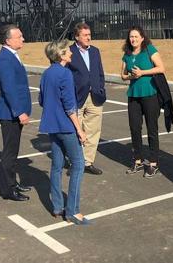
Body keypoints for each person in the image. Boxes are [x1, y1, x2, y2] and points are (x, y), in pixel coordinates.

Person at [39, 39, 91, 225]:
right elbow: (70, 107)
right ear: (60, 55)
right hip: (66, 127)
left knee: (56, 167)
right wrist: (80, 130)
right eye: (68, 51)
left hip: (51, 126)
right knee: (78, 165)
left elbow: (42, 100)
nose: (71, 53)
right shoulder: (65, 74)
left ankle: (57, 207)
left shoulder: (46, 74)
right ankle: (73, 211)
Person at [0, 25, 32, 202]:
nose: (23, 39)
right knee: (9, 153)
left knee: (13, 151)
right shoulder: (4, 60)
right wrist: (20, 112)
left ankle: (13, 183)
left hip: (13, 113)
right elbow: (9, 89)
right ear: (8, 40)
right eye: (20, 36)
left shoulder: (11, 56)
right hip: (10, 114)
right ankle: (8, 189)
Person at [121, 26, 166, 178]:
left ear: (142, 38)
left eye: (136, 36)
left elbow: (161, 68)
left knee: (152, 129)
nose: (133, 39)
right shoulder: (127, 54)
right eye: (131, 37)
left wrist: (142, 73)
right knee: (134, 128)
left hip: (150, 94)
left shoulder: (149, 49)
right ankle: (138, 160)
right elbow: (122, 75)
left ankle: (153, 163)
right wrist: (130, 77)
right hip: (133, 95)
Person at [66, 22, 106, 175]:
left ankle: (87, 162)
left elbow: (100, 73)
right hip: (77, 97)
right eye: (85, 35)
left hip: (95, 97)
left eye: (89, 35)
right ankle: (75, 162)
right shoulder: (69, 52)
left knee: (93, 131)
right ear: (76, 37)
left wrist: (100, 87)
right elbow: (66, 75)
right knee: (76, 131)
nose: (89, 38)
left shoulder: (95, 51)